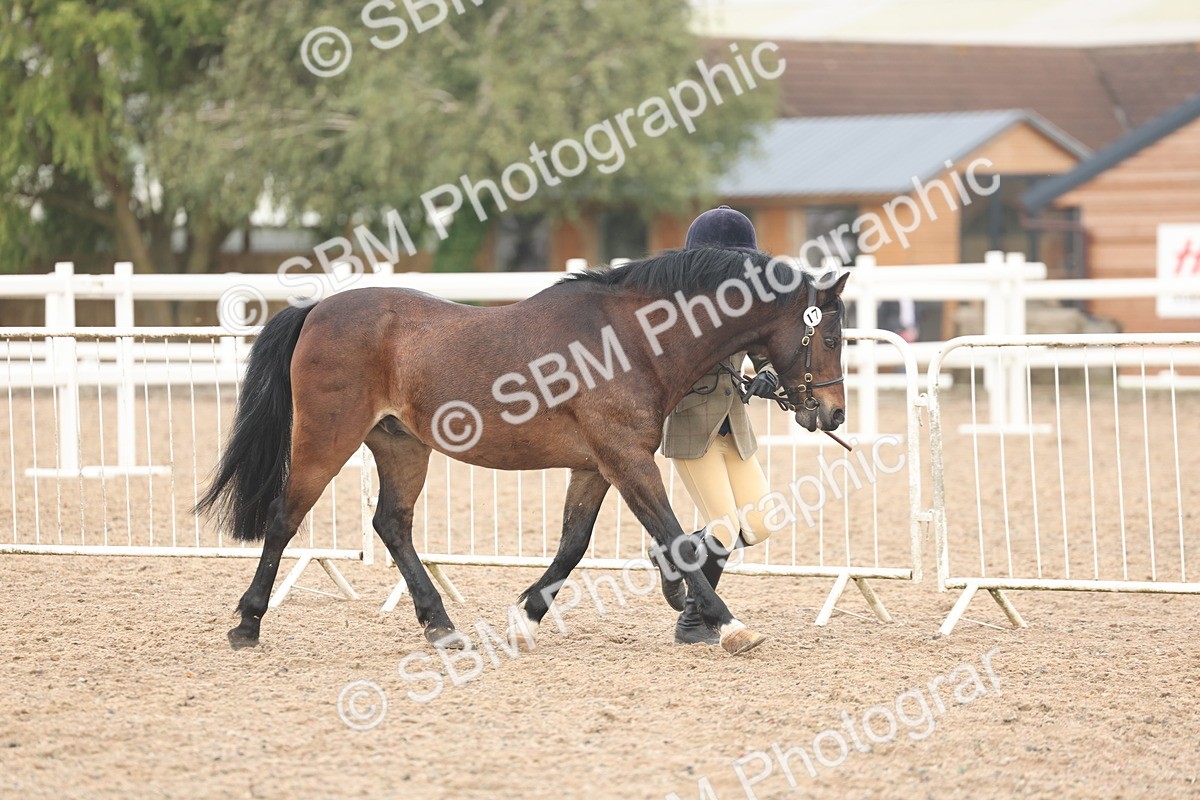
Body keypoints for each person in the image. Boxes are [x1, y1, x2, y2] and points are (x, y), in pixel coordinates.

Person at [658, 206, 780, 645]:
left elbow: (759, 355)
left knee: (763, 523)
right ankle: (694, 621)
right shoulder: (677, 308)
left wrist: (762, 377)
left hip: (735, 426)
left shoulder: (745, 303)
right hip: (694, 427)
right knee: (724, 527)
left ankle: (675, 552)